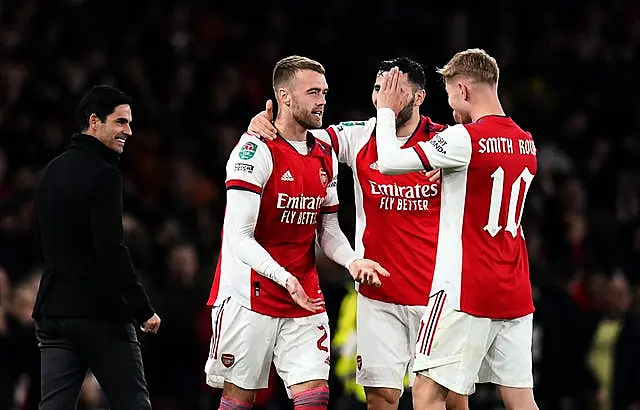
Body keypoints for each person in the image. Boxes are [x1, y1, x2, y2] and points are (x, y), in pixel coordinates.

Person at [247, 57, 468, 410]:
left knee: (452, 400)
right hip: (379, 298)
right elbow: (298, 136)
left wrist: (456, 174)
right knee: (380, 398)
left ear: (420, 97)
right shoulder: (359, 135)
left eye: (396, 91)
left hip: (436, 297)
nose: (385, 99)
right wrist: (265, 124)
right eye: (379, 89)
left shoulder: (446, 141)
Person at [204, 55, 389, 410]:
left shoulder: (325, 154)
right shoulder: (252, 151)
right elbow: (239, 237)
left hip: (303, 294)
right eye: (313, 92)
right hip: (249, 294)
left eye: (325, 92)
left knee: (315, 397)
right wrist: (282, 276)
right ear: (285, 97)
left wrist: (352, 261)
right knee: (240, 400)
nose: (322, 100)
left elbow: (328, 229)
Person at [374, 50, 539, 410]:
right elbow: (485, 178)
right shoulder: (526, 141)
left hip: (465, 287)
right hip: (513, 287)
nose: (452, 110)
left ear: (462, 89)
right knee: (519, 398)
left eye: (451, 97)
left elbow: (387, 161)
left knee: (428, 392)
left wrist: (386, 111)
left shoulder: (465, 138)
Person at [32, 85, 161, 410]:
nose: (128, 132)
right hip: (99, 314)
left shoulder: (52, 170)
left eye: (129, 123)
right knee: (134, 404)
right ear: (94, 121)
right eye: (120, 122)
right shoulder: (104, 175)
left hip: (54, 311)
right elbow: (110, 249)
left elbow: (42, 242)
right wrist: (141, 308)